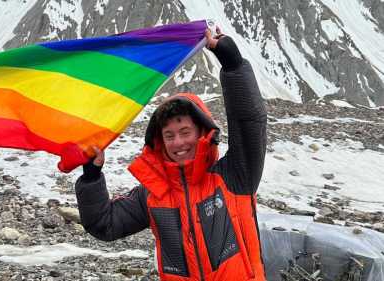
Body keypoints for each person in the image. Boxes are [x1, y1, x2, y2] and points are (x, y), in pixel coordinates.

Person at [75, 28, 267, 281]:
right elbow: (104, 224)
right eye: (169, 135)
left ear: (202, 132)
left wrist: (232, 63)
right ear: (160, 141)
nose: (178, 142)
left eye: (185, 131)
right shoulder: (153, 194)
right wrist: (91, 176)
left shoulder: (234, 176)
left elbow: (249, 121)